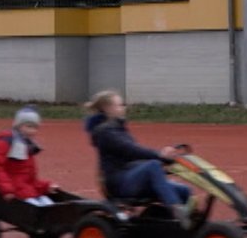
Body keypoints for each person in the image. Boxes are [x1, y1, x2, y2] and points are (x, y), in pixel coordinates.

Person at [83, 89, 195, 217]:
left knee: (185, 191)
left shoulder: (117, 128)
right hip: (119, 183)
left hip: (130, 177)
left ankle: (184, 225)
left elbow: (134, 158)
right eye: (120, 105)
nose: (123, 108)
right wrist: (159, 156)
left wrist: (164, 161)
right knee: (152, 165)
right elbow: (131, 150)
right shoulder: (105, 133)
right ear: (107, 108)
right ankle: (176, 209)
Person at [0, 106, 57, 206]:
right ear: (18, 126)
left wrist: (46, 186)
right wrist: (7, 190)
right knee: (39, 209)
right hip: (15, 192)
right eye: (29, 127)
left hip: (28, 191)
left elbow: (30, 179)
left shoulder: (27, 146)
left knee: (51, 207)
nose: (32, 131)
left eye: (35, 128)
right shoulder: (6, 143)